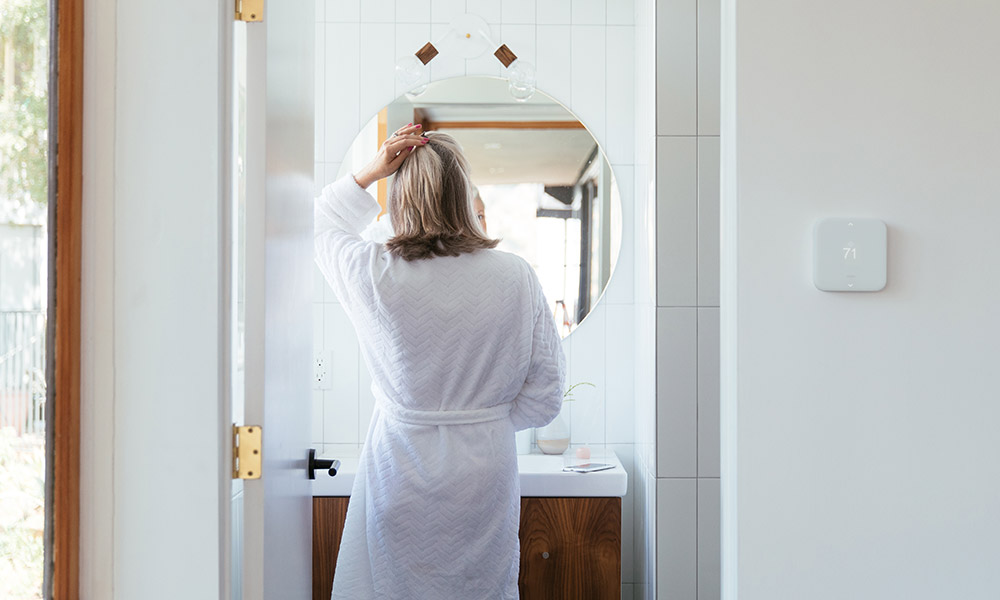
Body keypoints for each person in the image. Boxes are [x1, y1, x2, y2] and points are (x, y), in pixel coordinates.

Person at [314, 124, 566, 600]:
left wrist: (370, 171)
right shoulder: (515, 276)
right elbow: (546, 396)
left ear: (402, 199)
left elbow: (320, 225)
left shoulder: (374, 273)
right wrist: (481, 422)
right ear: (465, 195)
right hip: (484, 474)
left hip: (400, 469)